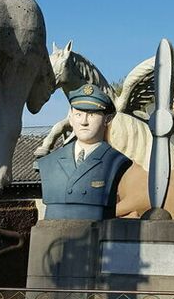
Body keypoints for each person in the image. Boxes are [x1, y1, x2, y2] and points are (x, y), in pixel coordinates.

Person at [36, 84, 133, 220]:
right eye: (78, 114)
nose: (84, 122)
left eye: (92, 115)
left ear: (108, 119)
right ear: (70, 118)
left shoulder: (116, 161)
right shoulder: (49, 162)